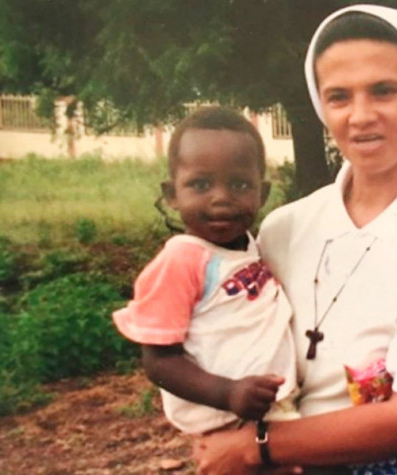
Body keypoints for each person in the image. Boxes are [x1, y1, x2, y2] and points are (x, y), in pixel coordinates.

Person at [193, 5, 397, 474]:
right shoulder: (284, 229)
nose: (361, 116)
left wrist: (255, 447)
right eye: (339, 97)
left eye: (383, 91)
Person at [112, 106, 299, 435]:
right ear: (172, 194)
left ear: (263, 193)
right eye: (200, 185)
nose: (221, 198)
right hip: (227, 418)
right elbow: (159, 362)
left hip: (272, 408)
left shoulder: (252, 246)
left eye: (240, 184)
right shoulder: (180, 261)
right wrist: (229, 393)